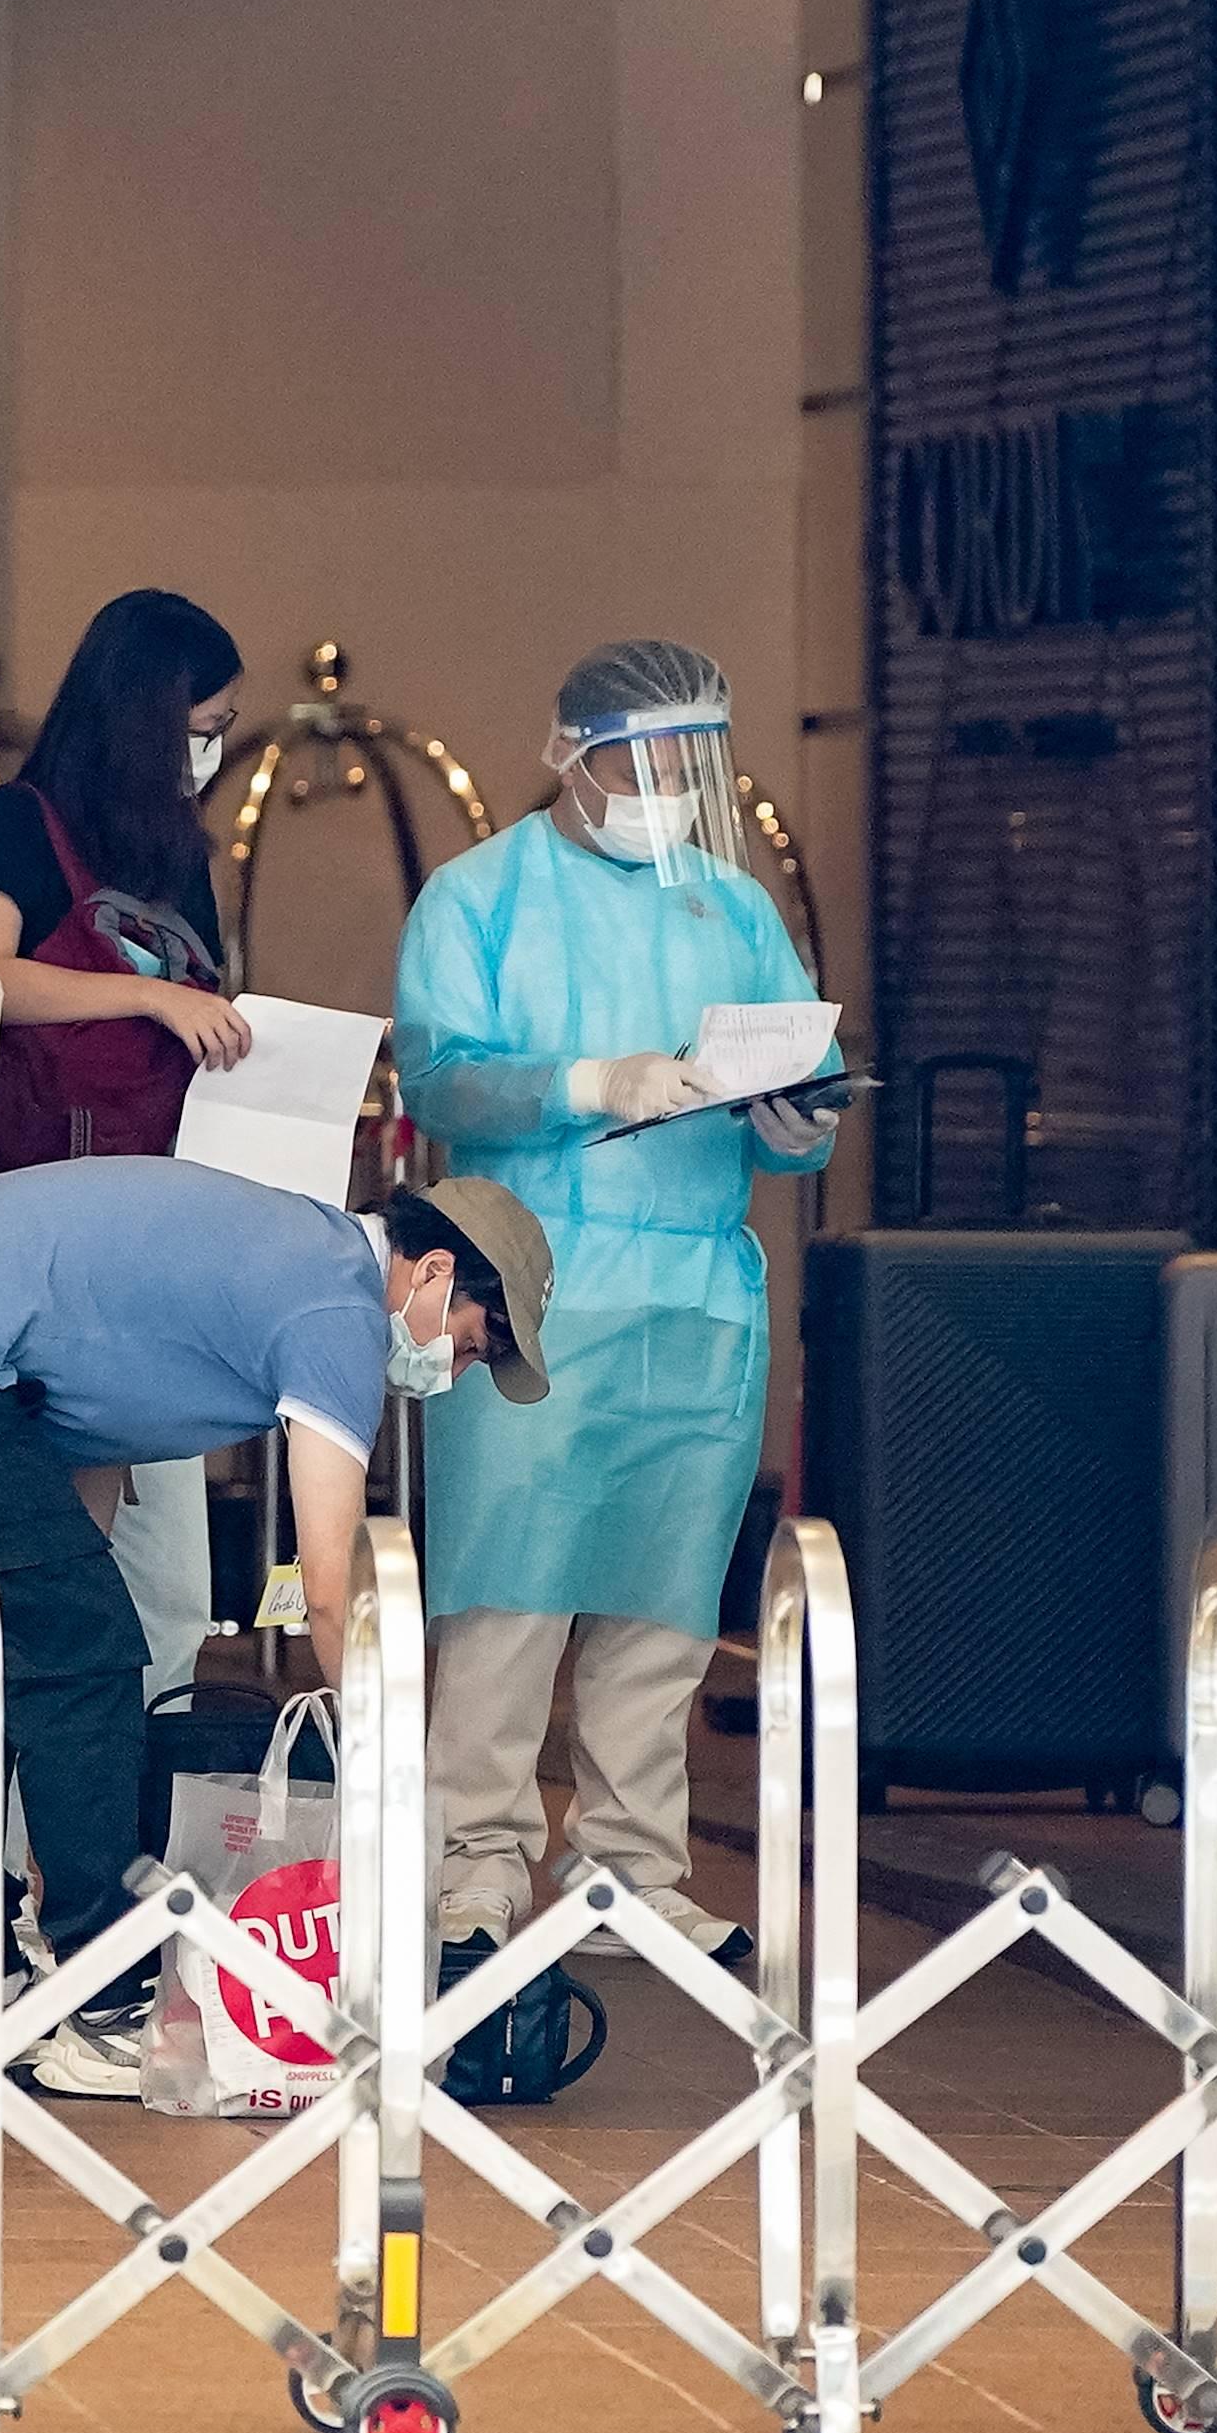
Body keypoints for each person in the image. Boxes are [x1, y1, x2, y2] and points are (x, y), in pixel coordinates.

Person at [0, 1159, 551, 2099]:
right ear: (433, 1270)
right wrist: (389, 1765)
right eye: (469, 1345)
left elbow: (81, 1446)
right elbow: (332, 1587)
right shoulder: (338, 1307)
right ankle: (104, 2001)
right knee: (85, 1657)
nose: (456, 1374)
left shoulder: (290, 1254)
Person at [395, 641, 831, 1969]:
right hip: (527, 1279)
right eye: (638, 764)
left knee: (664, 1594)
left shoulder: (730, 906)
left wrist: (798, 1119)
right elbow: (441, 1076)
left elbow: (793, 1082)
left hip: (693, 1288)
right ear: (566, 751)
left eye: (687, 766)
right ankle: (473, 1860)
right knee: (506, 1590)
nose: (663, 792)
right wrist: (590, 1081)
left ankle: (629, 1870)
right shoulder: (479, 896)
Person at [0, 590, 259, 1692]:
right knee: (63, 1537)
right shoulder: (19, 822)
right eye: (204, 725)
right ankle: (42, 1791)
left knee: (168, 1576)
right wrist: (146, 997)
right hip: (49, 1219)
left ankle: (137, 1776)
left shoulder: (178, 852)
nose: (212, 749)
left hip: (156, 1223)